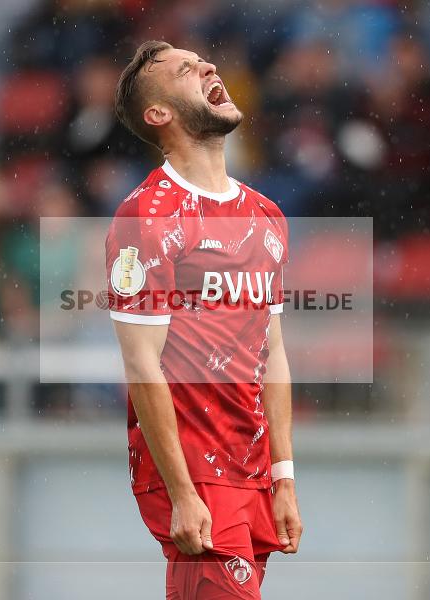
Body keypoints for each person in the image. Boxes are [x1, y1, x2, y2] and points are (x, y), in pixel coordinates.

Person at [106, 41, 303, 599]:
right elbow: (142, 364)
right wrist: (183, 492)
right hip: (198, 477)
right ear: (158, 114)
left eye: (205, 62)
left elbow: (274, 353)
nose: (210, 67)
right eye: (187, 70)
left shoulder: (267, 215)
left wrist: (282, 476)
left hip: (253, 475)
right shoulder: (147, 216)